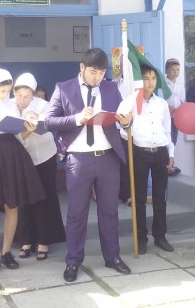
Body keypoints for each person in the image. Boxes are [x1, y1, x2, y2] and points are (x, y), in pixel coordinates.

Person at [44, 48, 133, 283]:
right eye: (93, 72)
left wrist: (126, 122)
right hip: (79, 159)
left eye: (102, 73)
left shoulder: (111, 88)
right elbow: (49, 121)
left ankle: (112, 256)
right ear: (82, 67)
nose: (98, 77)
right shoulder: (64, 88)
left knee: (109, 210)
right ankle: (73, 261)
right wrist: (77, 118)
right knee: (77, 212)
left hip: (108, 157)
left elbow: (122, 117)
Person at [0, 68, 46, 276]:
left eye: (7, 91)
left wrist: (28, 128)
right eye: (1, 91)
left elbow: (19, 134)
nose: (5, 95)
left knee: (12, 205)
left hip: (12, 152)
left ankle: (6, 252)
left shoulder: (12, 104)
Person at [122, 64, 175, 255]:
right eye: (146, 78)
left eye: (153, 78)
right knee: (139, 197)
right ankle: (141, 237)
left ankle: (160, 236)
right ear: (139, 81)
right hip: (140, 152)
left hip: (160, 151)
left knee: (160, 196)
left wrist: (171, 153)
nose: (150, 82)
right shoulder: (130, 102)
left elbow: (167, 129)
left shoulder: (161, 104)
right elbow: (122, 129)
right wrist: (125, 123)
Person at [12, 72, 66, 261]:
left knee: (45, 198)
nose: (22, 100)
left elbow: (52, 124)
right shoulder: (9, 106)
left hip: (44, 156)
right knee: (24, 200)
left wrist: (37, 119)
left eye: (27, 96)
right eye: (19, 95)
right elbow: (13, 134)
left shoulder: (43, 106)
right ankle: (26, 239)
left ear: (33, 95)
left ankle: (44, 240)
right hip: (22, 159)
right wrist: (25, 130)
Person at [165, 58, 184, 176]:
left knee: (174, 140)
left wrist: (181, 108)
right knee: (167, 140)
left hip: (176, 118)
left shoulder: (180, 85)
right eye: (172, 70)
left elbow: (182, 100)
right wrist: (167, 108)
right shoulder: (163, 84)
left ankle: (171, 164)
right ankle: (167, 165)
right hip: (166, 117)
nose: (175, 72)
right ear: (166, 71)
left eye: (177, 69)